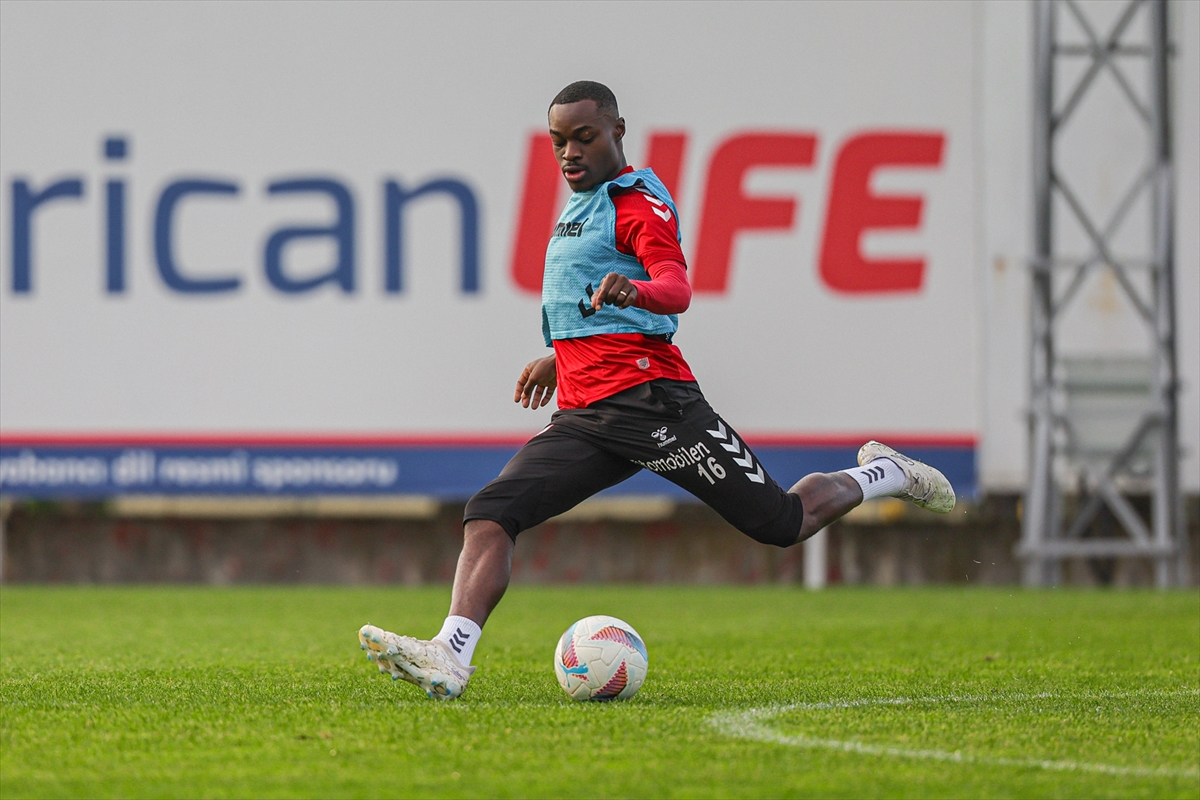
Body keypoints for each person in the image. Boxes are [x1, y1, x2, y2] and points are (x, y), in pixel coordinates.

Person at [358, 81, 954, 698]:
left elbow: (675, 288)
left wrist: (635, 289)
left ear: (618, 130)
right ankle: (451, 658)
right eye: (559, 141)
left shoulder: (638, 203)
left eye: (584, 138)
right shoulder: (579, 207)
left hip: (654, 404)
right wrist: (558, 360)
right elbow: (595, 314)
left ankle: (886, 474)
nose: (570, 153)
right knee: (489, 512)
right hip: (586, 416)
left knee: (782, 522)